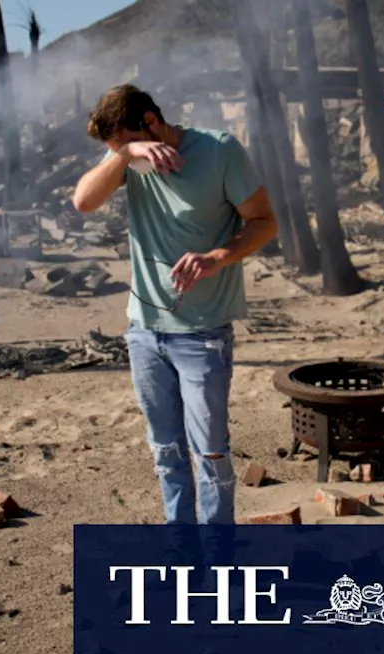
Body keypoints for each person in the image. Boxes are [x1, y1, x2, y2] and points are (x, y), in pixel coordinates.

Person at [71, 84, 278, 525]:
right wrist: (126, 155)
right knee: (165, 452)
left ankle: (218, 562)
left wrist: (218, 256)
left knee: (211, 455)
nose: (128, 153)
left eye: (129, 141)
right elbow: (83, 201)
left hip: (203, 334)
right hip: (143, 332)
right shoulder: (128, 160)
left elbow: (263, 221)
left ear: (151, 120)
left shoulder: (220, 150)